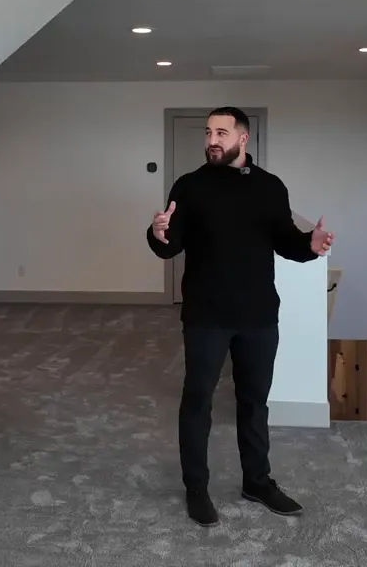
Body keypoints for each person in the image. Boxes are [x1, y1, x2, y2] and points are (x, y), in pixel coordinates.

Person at [146, 106, 334, 527]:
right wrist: (156, 234)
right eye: (208, 132)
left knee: (253, 402)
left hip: (258, 315)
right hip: (206, 314)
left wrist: (311, 244)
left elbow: (286, 242)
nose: (212, 139)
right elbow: (170, 243)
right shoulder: (190, 186)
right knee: (198, 401)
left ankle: (258, 481)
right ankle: (196, 487)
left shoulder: (269, 187)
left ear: (242, 139)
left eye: (221, 132)